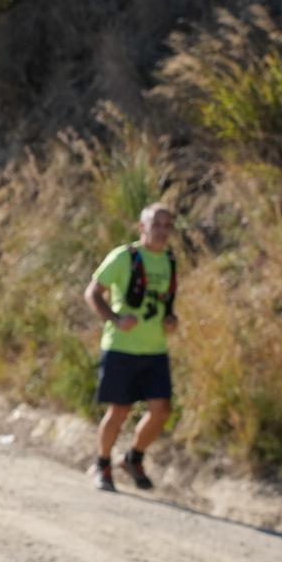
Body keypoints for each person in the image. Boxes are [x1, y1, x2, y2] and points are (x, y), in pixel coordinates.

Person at [82, 202, 179, 492]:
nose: (162, 231)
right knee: (120, 410)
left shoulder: (169, 260)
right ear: (142, 227)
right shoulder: (124, 257)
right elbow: (93, 293)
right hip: (121, 348)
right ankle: (102, 464)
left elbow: (165, 303)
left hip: (155, 349)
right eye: (156, 224)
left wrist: (171, 320)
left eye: (167, 225)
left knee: (161, 410)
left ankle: (133, 458)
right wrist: (115, 319)